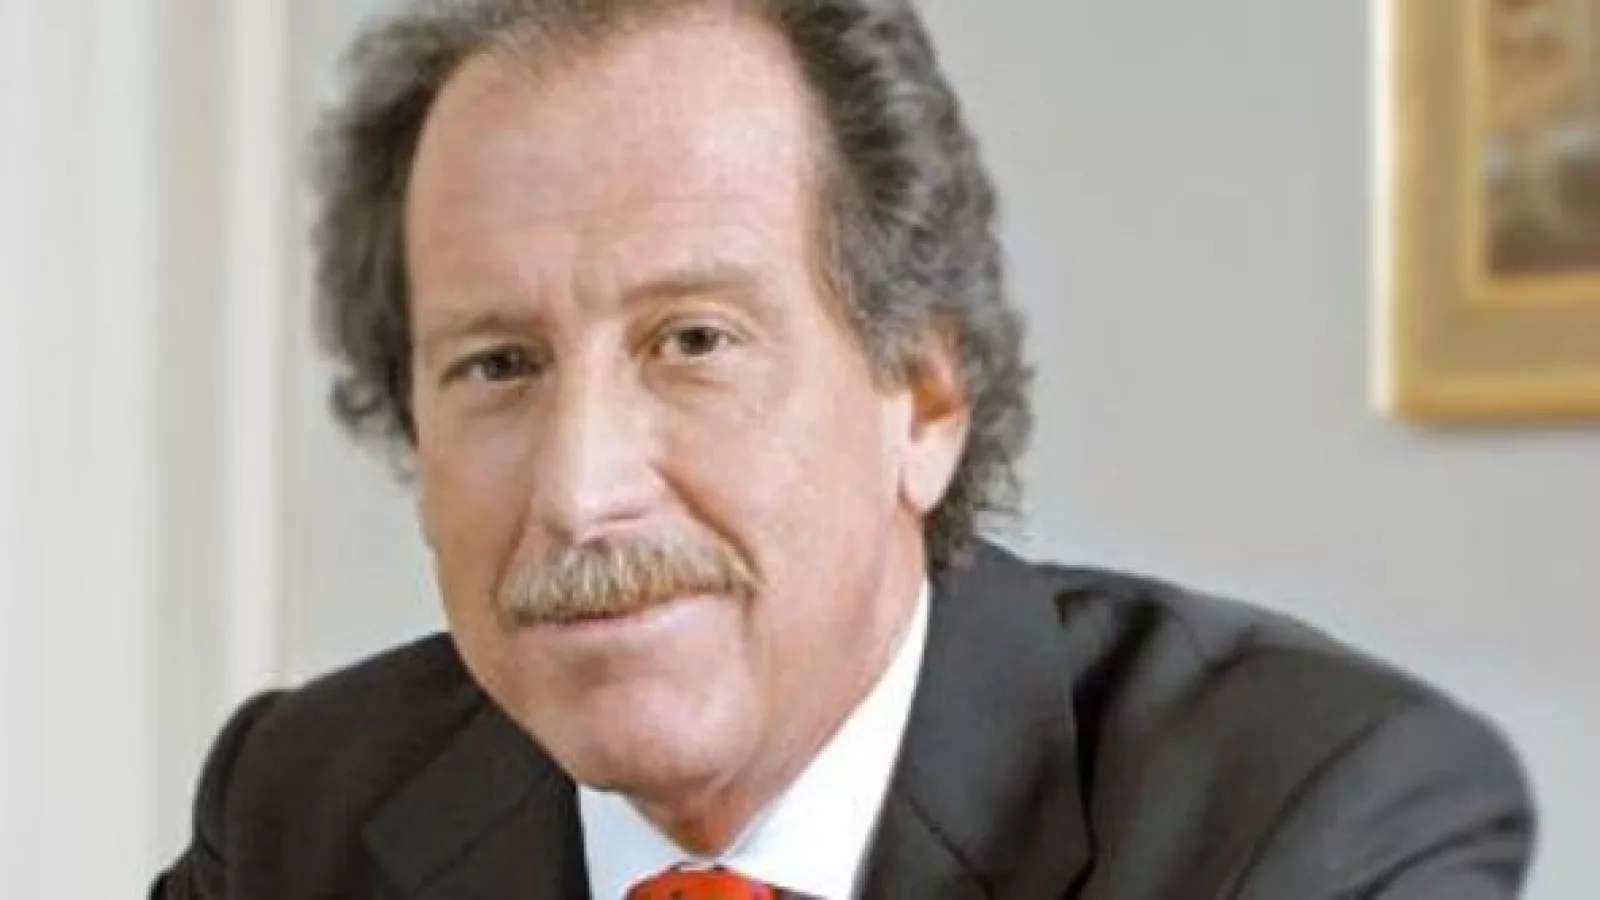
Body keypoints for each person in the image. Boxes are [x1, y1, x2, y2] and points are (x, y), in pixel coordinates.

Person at [152, 1, 1536, 897]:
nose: (581, 491)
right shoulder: (299, 811)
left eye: (693, 341)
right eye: (498, 366)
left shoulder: (1305, 816)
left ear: (923, 401)